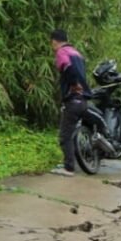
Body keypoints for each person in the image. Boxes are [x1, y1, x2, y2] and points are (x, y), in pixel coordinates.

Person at [49, 29, 90, 177]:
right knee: (72, 132)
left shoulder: (61, 52)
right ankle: (72, 161)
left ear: (54, 41)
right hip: (83, 100)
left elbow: (68, 68)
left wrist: (73, 85)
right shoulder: (77, 53)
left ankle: (68, 168)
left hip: (73, 99)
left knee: (64, 135)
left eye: (51, 42)